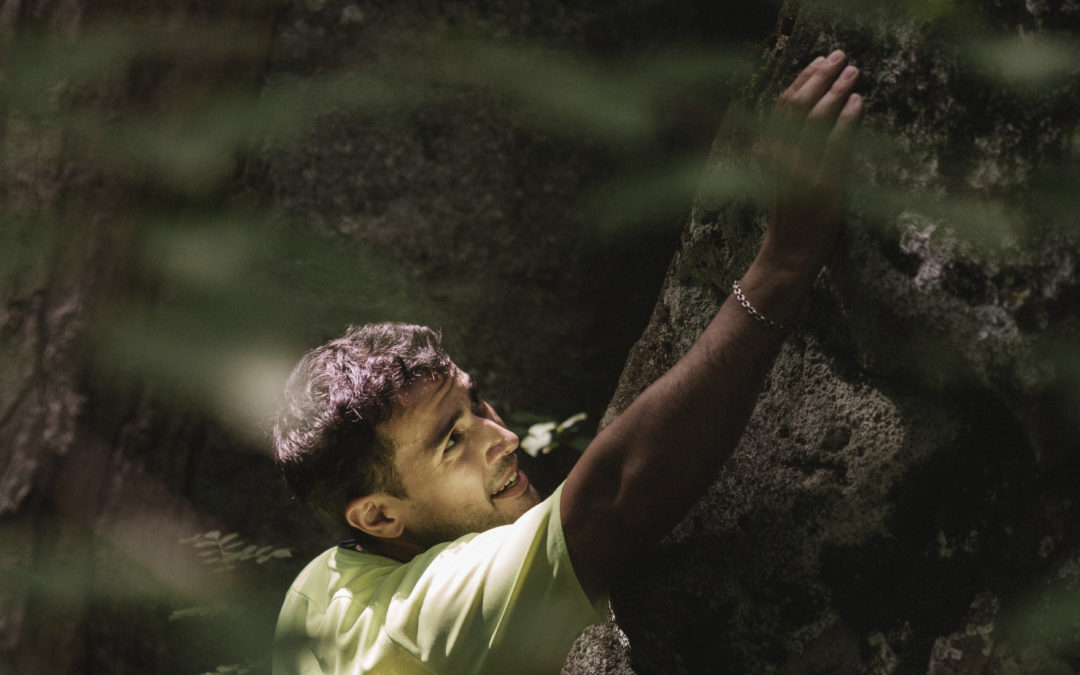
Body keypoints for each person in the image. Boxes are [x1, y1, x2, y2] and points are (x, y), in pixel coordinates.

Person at [272, 51, 863, 674]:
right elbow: (614, 499)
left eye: (475, 404)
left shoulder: (316, 591)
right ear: (377, 515)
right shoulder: (418, 624)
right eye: (451, 441)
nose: (502, 438)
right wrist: (784, 264)